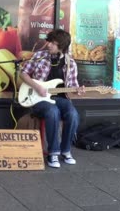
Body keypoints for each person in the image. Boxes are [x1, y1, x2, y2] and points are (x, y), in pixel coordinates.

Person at [20, 29, 85, 168]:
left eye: (54, 43)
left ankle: (66, 150)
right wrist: (37, 87)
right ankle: (53, 153)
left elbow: (73, 87)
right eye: (49, 41)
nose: (49, 45)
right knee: (52, 111)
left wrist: (78, 91)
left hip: (60, 99)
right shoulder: (39, 56)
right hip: (39, 98)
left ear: (62, 46)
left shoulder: (70, 63)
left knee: (72, 114)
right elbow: (23, 74)